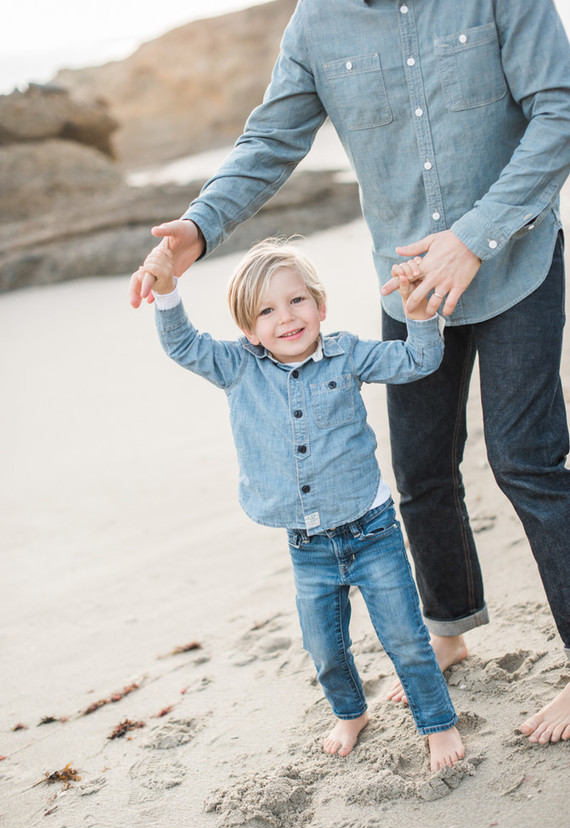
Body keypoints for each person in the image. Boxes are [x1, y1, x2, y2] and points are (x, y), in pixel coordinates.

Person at [129, 0, 570, 743]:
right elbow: (271, 139)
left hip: (516, 257)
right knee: (423, 469)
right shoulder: (316, 23)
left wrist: (473, 237)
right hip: (410, 284)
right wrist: (199, 227)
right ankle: (451, 626)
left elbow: (559, 110)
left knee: (525, 460)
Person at [136, 236, 464, 769]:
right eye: (266, 311)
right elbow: (183, 346)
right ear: (248, 329)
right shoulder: (238, 367)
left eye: (296, 301)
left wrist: (420, 317)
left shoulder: (347, 353)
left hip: (372, 529)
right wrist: (169, 290)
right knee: (325, 650)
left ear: (320, 306)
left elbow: (418, 361)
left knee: (405, 639)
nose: (285, 318)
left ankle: (438, 723)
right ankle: (351, 711)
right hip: (308, 546)